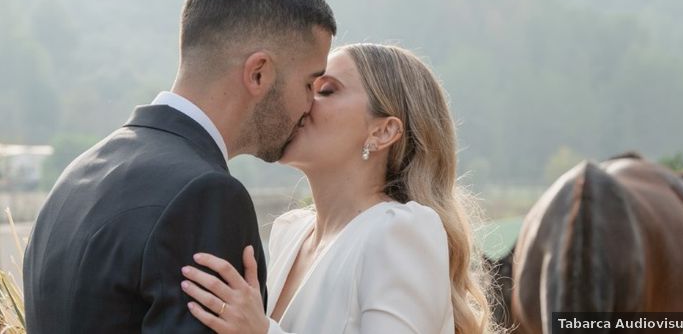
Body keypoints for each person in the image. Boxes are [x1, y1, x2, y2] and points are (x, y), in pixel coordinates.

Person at [23, 0, 336, 333]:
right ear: (258, 73)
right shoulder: (205, 198)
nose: (309, 107)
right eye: (309, 84)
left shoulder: (76, 176)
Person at [179, 44, 494, 334]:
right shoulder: (289, 233)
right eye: (307, 87)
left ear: (383, 131)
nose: (303, 102)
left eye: (326, 90)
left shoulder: (400, 232)